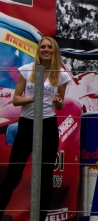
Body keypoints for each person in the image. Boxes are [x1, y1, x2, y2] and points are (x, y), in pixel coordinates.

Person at [0, 36, 70, 221]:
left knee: (45, 175)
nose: (46, 49)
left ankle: (40, 218)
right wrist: (33, 98)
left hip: (48, 124)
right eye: (43, 47)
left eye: (49, 47)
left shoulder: (61, 75)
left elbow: (60, 105)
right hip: (27, 123)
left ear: (54, 51)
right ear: (38, 50)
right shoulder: (27, 69)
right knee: (13, 174)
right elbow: (16, 99)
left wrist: (58, 101)